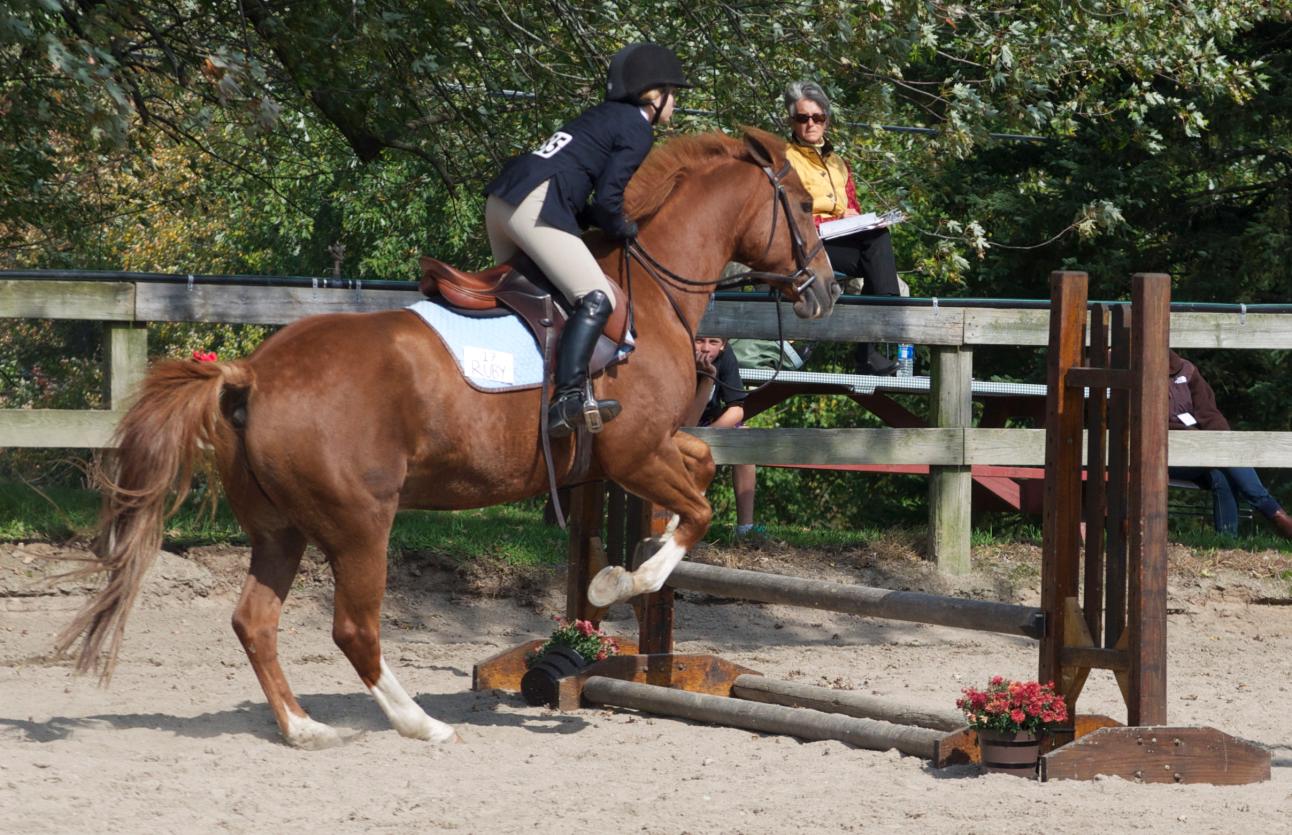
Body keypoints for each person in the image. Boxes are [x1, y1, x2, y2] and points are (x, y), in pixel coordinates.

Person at [484, 43, 690, 437]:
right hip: (534, 204)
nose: (675, 103)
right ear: (653, 94)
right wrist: (625, 228)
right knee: (597, 297)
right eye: (673, 93)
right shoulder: (637, 127)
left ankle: (509, 396)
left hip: (502, 201)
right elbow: (609, 200)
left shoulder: (600, 116)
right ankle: (567, 400)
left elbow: (590, 199)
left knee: (526, 300)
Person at [782, 80, 902, 376]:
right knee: (878, 259)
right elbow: (787, 214)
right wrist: (833, 221)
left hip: (834, 243)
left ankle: (870, 346)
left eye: (817, 117)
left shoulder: (839, 164)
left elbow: (852, 207)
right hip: (802, 244)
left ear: (827, 120)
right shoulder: (784, 159)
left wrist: (855, 218)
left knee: (877, 242)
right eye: (803, 118)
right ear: (792, 121)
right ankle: (882, 332)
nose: (811, 124)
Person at [1167, 350, 1292, 539]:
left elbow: (1209, 414)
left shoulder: (1186, 370)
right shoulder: (1141, 375)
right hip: (1167, 454)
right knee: (1223, 461)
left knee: (1221, 472)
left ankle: (1226, 542)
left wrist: (1223, 441)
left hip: (1201, 449)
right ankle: (1275, 514)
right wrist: (1189, 434)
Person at [690, 336, 761, 541]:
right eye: (699, 340)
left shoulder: (725, 356)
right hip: (680, 423)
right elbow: (688, 423)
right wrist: (707, 379)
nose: (705, 348)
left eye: (713, 342)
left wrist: (710, 433)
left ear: (724, 345)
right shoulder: (680, 355)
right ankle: (690, 525)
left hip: (709, 424)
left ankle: (745, 529)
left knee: (744, 440)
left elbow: (737, 410)